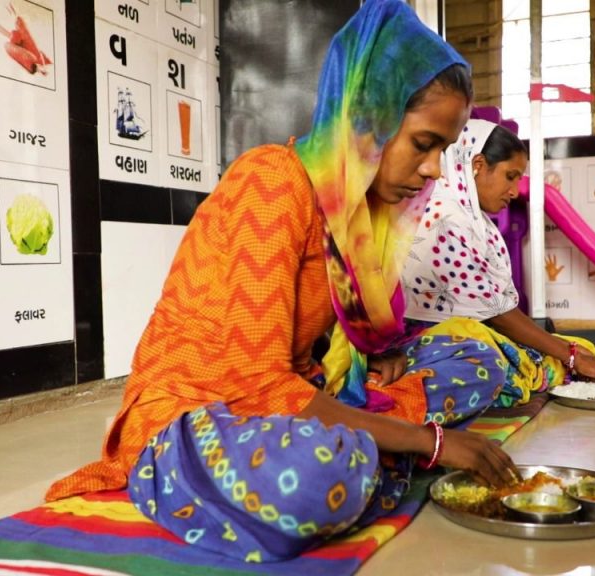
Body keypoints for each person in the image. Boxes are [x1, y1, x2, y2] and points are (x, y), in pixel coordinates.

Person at [45, 1, 517, 563]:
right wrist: (427, 441)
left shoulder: (353, 212)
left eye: (444, 150)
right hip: (201, 408)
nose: (434, 169)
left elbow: (337, 339)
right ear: (368, 116)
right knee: (319, 474)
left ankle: (365, 440)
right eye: (423, 143)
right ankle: (361, 447)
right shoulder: (271, 181)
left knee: (477, 355)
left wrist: (376, 357)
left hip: (297, 392)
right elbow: (259, 385)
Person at [401, 119, 595, 395]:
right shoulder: (444, 216)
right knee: (488, 361)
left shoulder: (472, 219)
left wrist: (573, 352)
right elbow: (498, 315)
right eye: (510, 176)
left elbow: (495, 313)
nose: (515, 191)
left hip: (476, 332)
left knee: (582, 347)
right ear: (478, 165)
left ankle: (539, 372)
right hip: (432, 341)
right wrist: (572, 356)